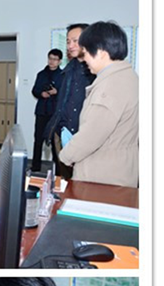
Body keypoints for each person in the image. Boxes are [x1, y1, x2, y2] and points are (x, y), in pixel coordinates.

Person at [59, 21, 139, 188]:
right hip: (121, 170)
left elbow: (91, 136)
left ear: (101, 52)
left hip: (103, 176)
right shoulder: (129, 77)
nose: (85, 58)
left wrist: (65, 156)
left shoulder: (110, 86)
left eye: (86, 52)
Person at [45, 23, 95, 179]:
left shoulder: (95, 72)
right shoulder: (68, 70)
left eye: (75, 41)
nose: (70, 45)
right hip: (62, 132)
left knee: (82, 182)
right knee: (65, 181)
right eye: (68, 41)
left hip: (83, 136)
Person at [30, 48, 65, 173]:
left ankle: (59, 170)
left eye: (55, 59)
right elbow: (34, 90)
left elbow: (66, 94)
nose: (52, 61)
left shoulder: (63, 75)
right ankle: (35, 167)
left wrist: (57, 92)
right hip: (42, 111)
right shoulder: (41, 74)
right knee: (38, 140)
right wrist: (41, 93)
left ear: (60, 61)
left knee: (56, 142)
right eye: (50, 58)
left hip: (55, 113)